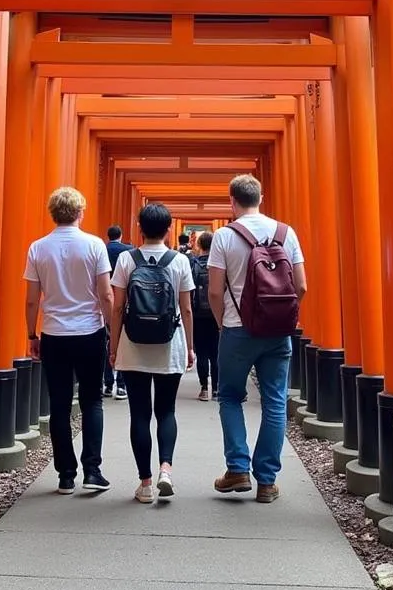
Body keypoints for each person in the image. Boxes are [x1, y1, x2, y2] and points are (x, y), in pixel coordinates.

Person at [207, 174, 307, 504]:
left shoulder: (224, 236)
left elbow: (214, 290)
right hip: (277, 332)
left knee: (231, 396)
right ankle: (267, 481)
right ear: (261, 197)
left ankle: (237, 469)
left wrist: (224, 324)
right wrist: (280, 316)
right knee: (275, 401)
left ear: (232, 201)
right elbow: (301, 285)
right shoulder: (286, 233)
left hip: (237, 329)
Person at [24, 187, 113, 495]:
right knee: (92, 401)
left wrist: (32, 334)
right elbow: (105, 293)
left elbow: (32, 300)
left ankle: (65, 474)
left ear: (53, 213)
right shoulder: (94, 246)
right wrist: (111, 329)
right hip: (89, 331)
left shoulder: (38, 248)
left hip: (54, 333)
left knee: (59, 404)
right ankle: (92, 469)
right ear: (80, 213)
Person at [109, 202, 195, 504]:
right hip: (169, 343)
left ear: (139, 227)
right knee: (166, 411)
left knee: (140, 414)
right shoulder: (179, 262)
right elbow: (185, 308)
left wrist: (114, 344)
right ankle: (166, 469)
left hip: (133, 345)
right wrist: (190, 348)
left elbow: (118, 306)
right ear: (169, 228)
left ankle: (144, 484)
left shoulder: (126, 260)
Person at [102, 225, 132, 400]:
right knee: (121, 345)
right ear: (120, 236)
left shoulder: (102, 250)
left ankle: (107, 384)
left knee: (108, 344)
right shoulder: (128, 251)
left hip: (105, 303)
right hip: (123, 301)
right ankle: (121, 385)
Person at [190, 231, 220, 402]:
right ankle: (216, 389)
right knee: (215, 352)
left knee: (201, 352)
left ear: (199, 245)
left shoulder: (194, 265)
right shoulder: (217, 264)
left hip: (198, 314)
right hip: (216, 314)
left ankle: (204, 388)